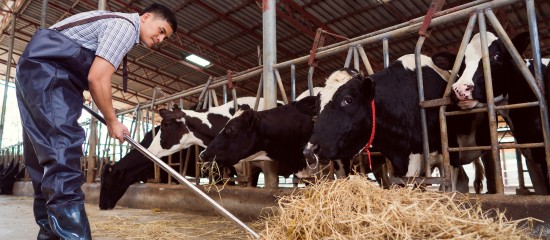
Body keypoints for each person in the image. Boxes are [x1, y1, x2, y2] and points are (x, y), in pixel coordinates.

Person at [15, 3, 177, 239]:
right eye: (161, 30)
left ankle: (50, 235)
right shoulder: (124, 26)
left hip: (35, 73)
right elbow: (97, 78)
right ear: (146, 17)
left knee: (43, 165)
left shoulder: (111, 22)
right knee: (62, 156)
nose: (161, 39)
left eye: (166, 37)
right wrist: (113, 121)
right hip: (50, 73)